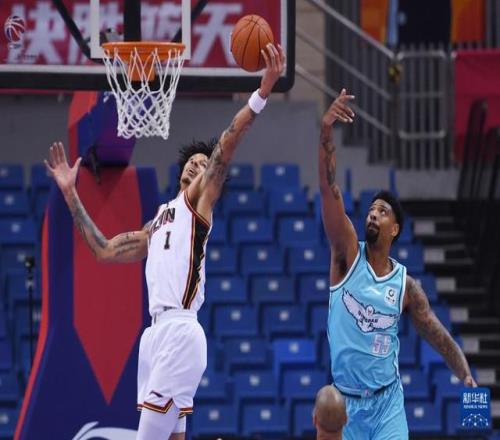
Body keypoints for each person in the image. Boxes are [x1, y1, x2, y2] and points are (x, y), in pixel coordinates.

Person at [44, 43, 286, 440]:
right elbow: (104, 250)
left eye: (205, 164)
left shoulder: (198, 205)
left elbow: (227, 145)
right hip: (154, 337)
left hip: (180, 331)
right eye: (193, 161)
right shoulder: (157, 221)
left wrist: (261, 93)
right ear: (181, 170)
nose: (198, 164)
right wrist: (71, 194)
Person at [318, 89, 477, 439]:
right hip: (346, 402)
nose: (373, 214)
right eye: (371, 209)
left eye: (383, 211)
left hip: (388, 401)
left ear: (395, 230)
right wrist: (326, 132)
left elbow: (436, 332)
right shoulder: (347, 255)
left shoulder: (405, 286)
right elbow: (330, 191)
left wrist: (464, 372)